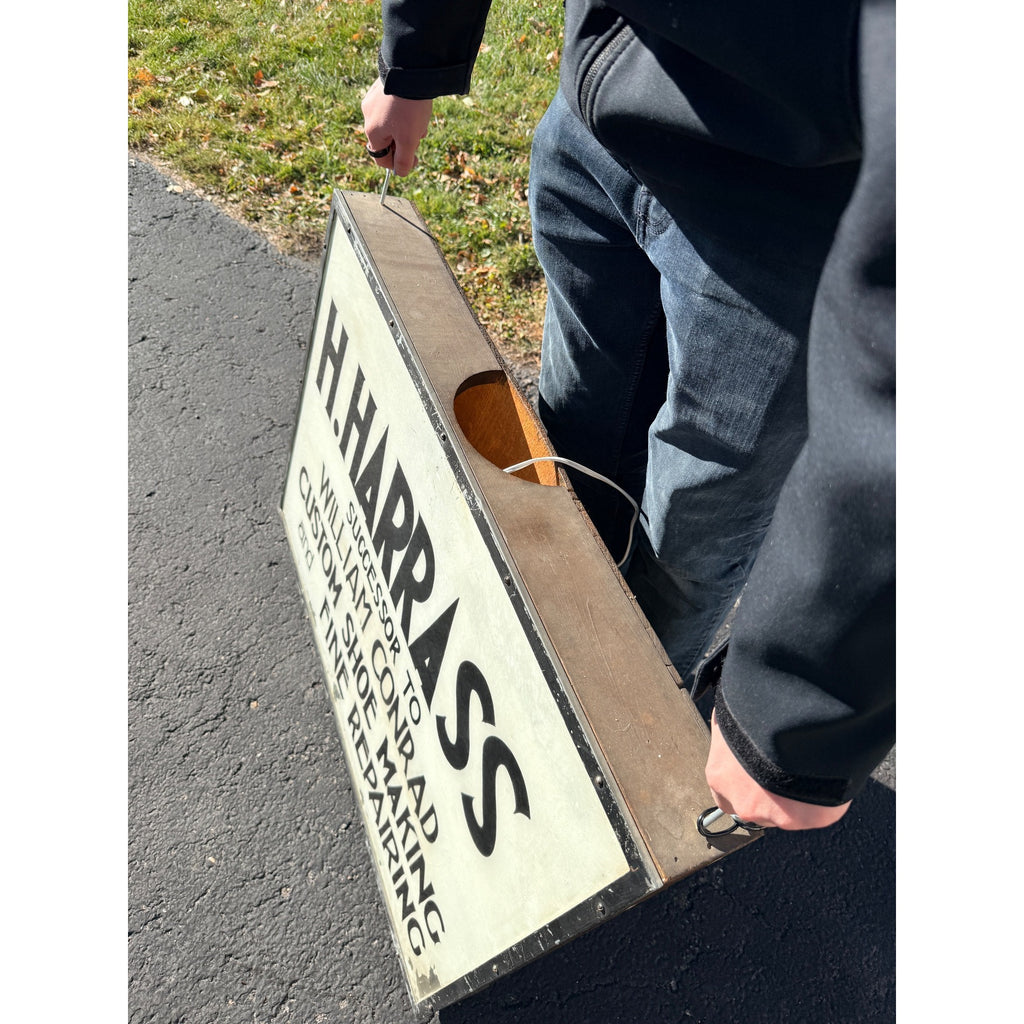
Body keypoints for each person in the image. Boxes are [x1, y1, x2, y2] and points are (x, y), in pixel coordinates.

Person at [361, 0, 895, 832]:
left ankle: (612, 753)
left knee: (690, 539)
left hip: (794, 220)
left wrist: (803, 709)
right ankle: (545, 693)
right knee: (569, 450)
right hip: (599, 115)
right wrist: (418, 58)